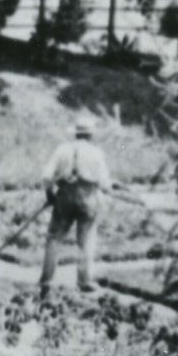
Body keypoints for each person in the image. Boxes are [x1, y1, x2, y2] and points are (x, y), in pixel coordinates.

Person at [40, 118, 112, 294]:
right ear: (91, 135)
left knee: (55, 237)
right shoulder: (96, 153)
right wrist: (103, 190)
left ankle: (47, 280)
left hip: (65, 195)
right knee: (86, 240)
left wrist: (49, 194)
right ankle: (84, 281)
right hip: (88, 197)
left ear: (76, 134)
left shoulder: (62, 149)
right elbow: (105, 183)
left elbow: (47, 176)